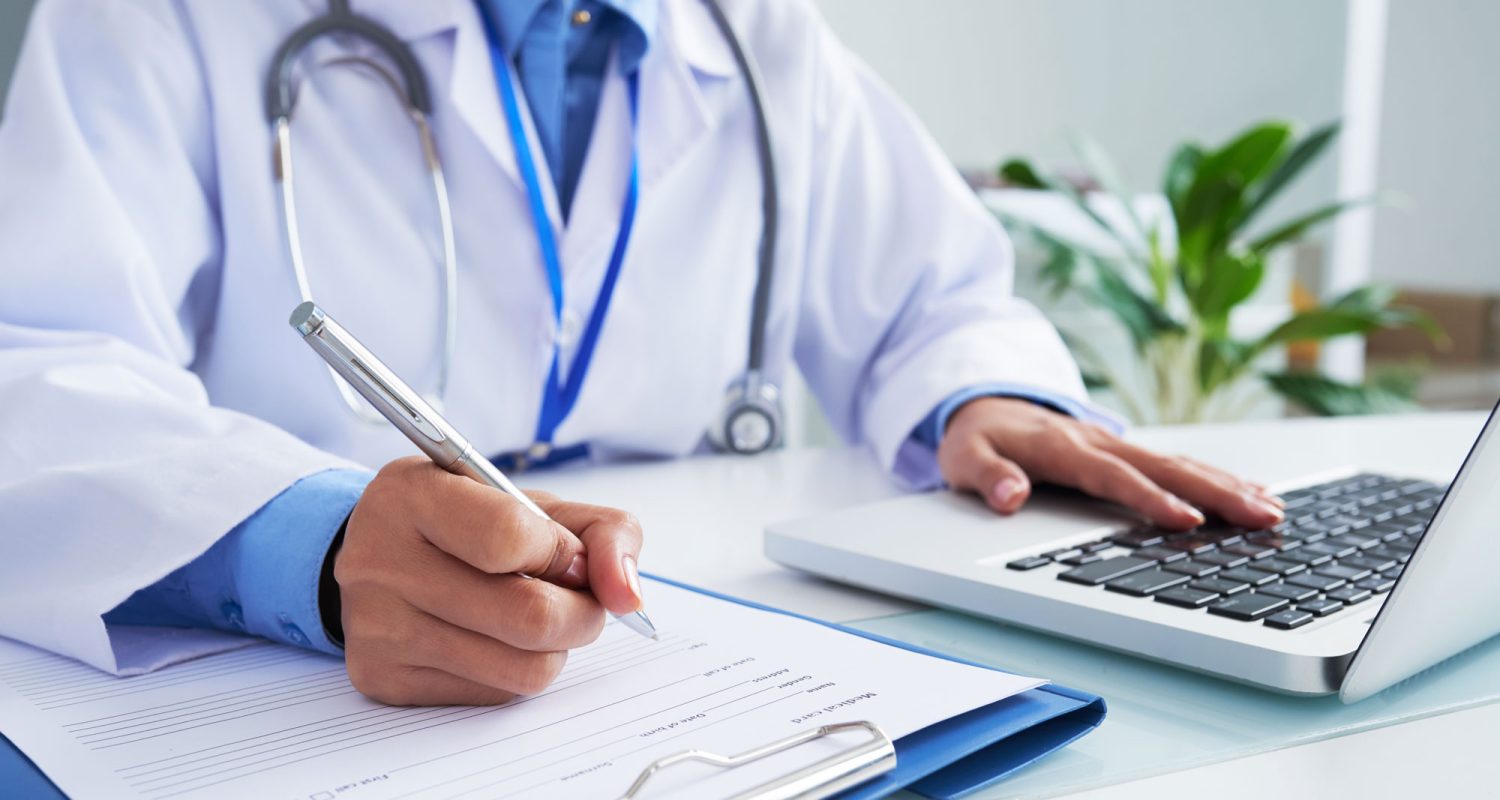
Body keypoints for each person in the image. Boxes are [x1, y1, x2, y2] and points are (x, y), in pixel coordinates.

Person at [0, 0, 1283, 705]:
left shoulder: (762, 40)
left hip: (681, 658)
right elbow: (35, 361)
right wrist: (315, 545)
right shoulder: (160, 17)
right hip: (289, 703)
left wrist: (982, 391)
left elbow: (935, 296)